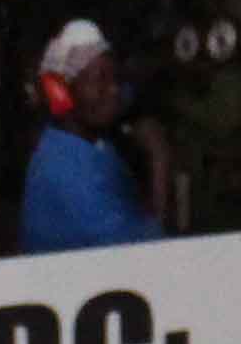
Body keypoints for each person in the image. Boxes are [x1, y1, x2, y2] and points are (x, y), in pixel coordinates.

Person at [18, 21, 165, 252]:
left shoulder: (78, 142)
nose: (114, 90)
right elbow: (149, 253)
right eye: (100, 79)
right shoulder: (70, 177)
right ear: (63, 91)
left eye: (116, 79)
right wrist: (159, 157)